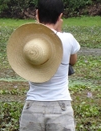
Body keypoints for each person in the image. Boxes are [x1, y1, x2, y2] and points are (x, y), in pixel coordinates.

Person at [19, 0, 80, 130]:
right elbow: (73, 61)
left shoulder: (29, 39)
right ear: (60, 16)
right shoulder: (68, 39)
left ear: (37, 14)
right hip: (60, 106)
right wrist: (58, 31)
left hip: (32, 106)